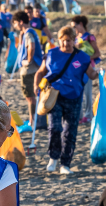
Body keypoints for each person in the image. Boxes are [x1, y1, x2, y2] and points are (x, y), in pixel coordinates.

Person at [34, 26, 98, 175]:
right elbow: (40, 72)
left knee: (70, 132)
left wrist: (98, 73)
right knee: (55, 128)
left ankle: (65, 164)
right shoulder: (51, 54)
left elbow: (91, 74)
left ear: (74, 40)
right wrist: (37, 86)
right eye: (63, 41)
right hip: (54, 96)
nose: (65, 44)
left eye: (68, 41)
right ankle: (53, 158)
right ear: (59, 40)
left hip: (74, 97)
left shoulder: (82, 57)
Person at [14, 10, 44, 132]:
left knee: (30, 97)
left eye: (15, 23)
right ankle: (34, 120)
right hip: (34, 68)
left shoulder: (28, 34)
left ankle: (32, 122)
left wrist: (28, 60)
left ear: (21, 22)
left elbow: (31, 46)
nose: (14, 26)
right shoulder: (29, 32)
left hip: (29, 70)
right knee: (32, 96)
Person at [71, 15, 99, 122]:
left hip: (88, 68)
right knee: (78, 92)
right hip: (77, 68)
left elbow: (97, 53)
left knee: (87, 92)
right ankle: (80, 116)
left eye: (74, 26)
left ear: (81, 24)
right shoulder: (76, 39)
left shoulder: (89, 37)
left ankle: (88, 116)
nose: (74, 29)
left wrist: (85, 59)